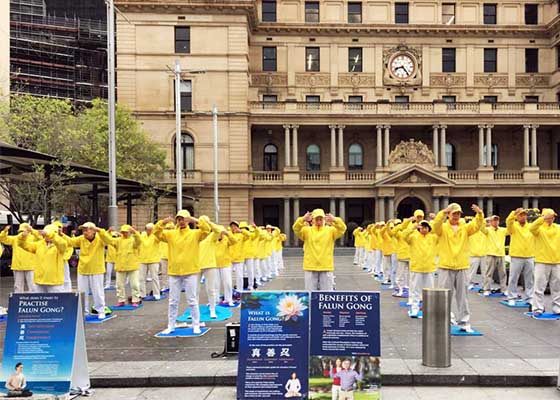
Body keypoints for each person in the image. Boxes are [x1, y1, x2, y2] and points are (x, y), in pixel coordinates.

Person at [154, 210, 218, 335]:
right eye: (179, 219)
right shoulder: (171, 234)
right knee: (173, 300)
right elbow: (157, 233)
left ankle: (196, 324)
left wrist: (195, 220)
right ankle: (171, 325)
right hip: (175, 271)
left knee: (192, 300)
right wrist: (162, 222)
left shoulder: (195, 234)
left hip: (191, 271)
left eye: (183, 219)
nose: (181, 221)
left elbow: (206, 230)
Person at [433, 203, 484, 332]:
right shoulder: (443, 228)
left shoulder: (465, 228)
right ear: (449, 214)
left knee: (463, 296)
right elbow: (435, 226)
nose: (456, 216)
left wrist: (479, 214)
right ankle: (446, 320)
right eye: (453, 213)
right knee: (445, 296)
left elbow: (477, 226)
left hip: (462, 266)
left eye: (458, 213)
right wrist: (442, 213)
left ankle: (464, 322)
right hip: (446, 266)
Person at [66, 222, 113, 319]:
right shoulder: (81, 239)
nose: (85, 232)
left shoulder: (100, 238)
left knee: (98, 291)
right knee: (82, 292)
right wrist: (61, 235)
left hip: (97, 269)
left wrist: (100, 230)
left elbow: (109, 241)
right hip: (83, 269)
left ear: (93, 231)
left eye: (87, 230)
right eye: (83, 230)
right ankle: (84, 312)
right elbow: (71, 242)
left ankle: (101, 310)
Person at [293, 209, 346, 291]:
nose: (319, 220)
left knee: (327, 293)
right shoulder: (306, 230)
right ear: (312, 220)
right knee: (310, 292)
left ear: (324, 219)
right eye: (316, 218)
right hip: (310, 265)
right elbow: (296, 228)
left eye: (321, 218)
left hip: (326, 265)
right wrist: (303, 219)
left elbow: (342, 228)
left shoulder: (330, 230)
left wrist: (335, 219)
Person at [529, 208, 560, 317]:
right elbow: (532, 227)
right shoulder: (539, 229)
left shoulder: (558, 228)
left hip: (556, 261)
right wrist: (542, 218)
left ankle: (557, 308)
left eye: (553, 216)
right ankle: (537, 308)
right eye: (549, 216)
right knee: (539, 287)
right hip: (542, 261)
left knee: (557, 287)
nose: (551, 218)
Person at [19, 224, 67, 293]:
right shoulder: (39, 244)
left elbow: (62, 243)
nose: (45, 235)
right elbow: (24, 245)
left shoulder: (60, 245)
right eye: (45, 234)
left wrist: (49, 234)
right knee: (39, 302)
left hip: (54, 282)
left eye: (47, 233)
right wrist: (22, 237)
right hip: (39, 281)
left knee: (55, 303)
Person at [404, 219, 438, 317]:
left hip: (429, 267)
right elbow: (404, 236)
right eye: (422, 227)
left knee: (430, 290)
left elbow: (439, 231)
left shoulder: (433, 238)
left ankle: (429, 309)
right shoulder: (413, 237)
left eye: (426, 227)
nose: (424, 229)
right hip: (416, 267)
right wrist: (412, 227)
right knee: (415, 290)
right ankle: (414, 309)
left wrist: (432, 222)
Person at [505, 208, 535, 307]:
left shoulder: (530, 227)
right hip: (517, 256)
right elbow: (508, 221)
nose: (523, 217)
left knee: (529, 279)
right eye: (521, 215)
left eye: (524, 215)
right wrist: (514, 213)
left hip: (529, 256)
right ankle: (511, 297)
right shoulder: (513, 227)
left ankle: (529, 297)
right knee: (513, 277)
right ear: (517, 217)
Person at [108, 224, 142, 307]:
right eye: (123, 232)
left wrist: (135, 232)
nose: (124, 233)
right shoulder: (118, 240)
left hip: (132, 266)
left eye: (126, 232)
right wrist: (107, 232)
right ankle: (121, 300)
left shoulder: (133, 240)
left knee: (134, 284)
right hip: (120, 266)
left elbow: (139, 240)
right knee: (119, 285)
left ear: (129, 232)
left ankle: (136, 299)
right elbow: (108, 240)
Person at [0, 224, 37, 293]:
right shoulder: (15, 238)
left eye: (24, 231)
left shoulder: (33, 238)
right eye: (21, 231)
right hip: (19, 265)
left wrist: (33, 231)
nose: (23, 233)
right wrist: (4, 232)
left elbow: (40, 237)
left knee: (33, 286)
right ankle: (18, 300)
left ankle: (34, 299)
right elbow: (3, 239)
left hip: (30, 266)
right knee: (18, 286)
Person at [481, 215, 508, 296]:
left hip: (500, 254)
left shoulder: (503, 230)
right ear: (491, 222)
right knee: (488, 273)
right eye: (494, 220)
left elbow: (510, 229)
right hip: (490, 254)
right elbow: (481, 227)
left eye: (497, 220)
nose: (496, 222)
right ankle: (486, 289)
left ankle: (503, 289)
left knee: (503, 273)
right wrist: (485, 220)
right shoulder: (488, 230)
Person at [388, 218, 412, 297]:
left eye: (399, 224)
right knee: (400, 275)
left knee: (409, 275)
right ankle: (401, 290)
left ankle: (408, 290)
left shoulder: (410, 231)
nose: (397, 225)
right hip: (402, 256)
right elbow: (392, 233)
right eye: (396, 224)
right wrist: (400, 226)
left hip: (410, 255)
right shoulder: (398, 233)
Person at [139, 223, 161, 299]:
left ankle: (156, 293)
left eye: (151, 229)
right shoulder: (142, 235)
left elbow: (159, 238)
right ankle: (142, 294)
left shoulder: (155, 236)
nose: (149, 231)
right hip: (142, 259)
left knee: (155, 277)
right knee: (141, 278)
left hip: (153, 260)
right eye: (148, 229)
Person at [215, 229, 237, 306]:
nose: (219, 235)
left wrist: (228, 234)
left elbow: (234, 241)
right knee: (215, 284)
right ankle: (215, 300)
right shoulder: (213, 240)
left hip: (225, 264)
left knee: (228, 283)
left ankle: (228, 299)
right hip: (215, 265)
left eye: (221, 233)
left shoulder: (226, 240)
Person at [467, 216, 487, 290]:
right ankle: (468, 283)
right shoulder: (471, 231)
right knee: (471, 272)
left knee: (485, 272)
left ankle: (485, 285)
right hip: (473, 254)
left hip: (484, 254)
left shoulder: (484, 231)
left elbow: (484, 222)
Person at [228, 221, 249, 291]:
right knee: (228, 277)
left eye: (235, 226)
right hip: (229, 259)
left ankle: (240, 290)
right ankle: (230, 291)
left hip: (239, 259)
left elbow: (248, 235)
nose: (233, 228)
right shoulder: (229, 235)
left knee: (239, 276)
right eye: (232, 226)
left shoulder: (241, 235)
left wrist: (241, 231)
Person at [53, 221, 73, 291]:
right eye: (57, 227)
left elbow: (70, 248)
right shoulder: (50, 238)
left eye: (60, 227)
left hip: (63, 261)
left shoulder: (65, 238)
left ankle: (68, 292)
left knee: (66, 278)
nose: (59, 229)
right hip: (53, 262)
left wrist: (65, 257)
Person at [159, 222, 174, 292]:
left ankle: (171, 286)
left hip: (172, 256)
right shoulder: (163, 235)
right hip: (164, 256)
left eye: (171, 228)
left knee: (172, 273)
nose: (169, 230)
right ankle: (165, 286)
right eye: (168, 228)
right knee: (164, 273)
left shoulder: (174, 235)